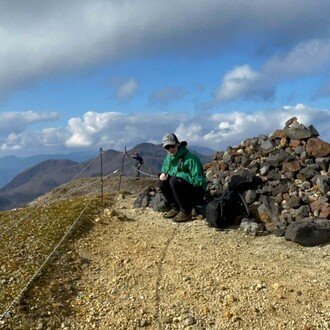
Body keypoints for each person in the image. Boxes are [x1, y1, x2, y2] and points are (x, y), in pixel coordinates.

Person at [159, 133, 207, 223]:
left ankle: (186, 211)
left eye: (171, 146)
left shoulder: (191, 159)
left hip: (197, 191)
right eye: (167, 147)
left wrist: (180, 176)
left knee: (174, 180)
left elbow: (199, 181)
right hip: (181, 188)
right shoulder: (168, 158)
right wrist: (162, 174)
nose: (170, 149)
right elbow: (165, 170)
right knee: (162, 182)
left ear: (177, 144)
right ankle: (175, 208)